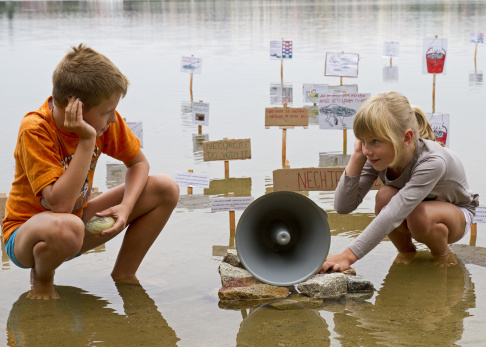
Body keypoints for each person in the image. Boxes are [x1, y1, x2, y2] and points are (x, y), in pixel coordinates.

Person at [1, 44, 180, 299]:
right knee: (68, 226)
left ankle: (124, 275)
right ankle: (42, 280)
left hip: (75, 225)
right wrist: (87, 140)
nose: (114, 120)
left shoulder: (104, 122)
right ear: (78, 110)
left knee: (165, 188)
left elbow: (139, 163)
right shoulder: (35, 128)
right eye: (107, 112)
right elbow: (60, 205)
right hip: (25, 238)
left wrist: (126, 207)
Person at [319, 91, 478, 273]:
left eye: (375, 141)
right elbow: (343, 206)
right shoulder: (376, 156)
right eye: (363, 141)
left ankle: (442, 254)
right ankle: (406, 251)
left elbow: (393, 213)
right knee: (384, 195)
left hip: (456, 213)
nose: (367, 151)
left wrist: (347, 256)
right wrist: (356, 156)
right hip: (415, 208)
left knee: (419, 214)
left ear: (406, 138)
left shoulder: (432, 162)